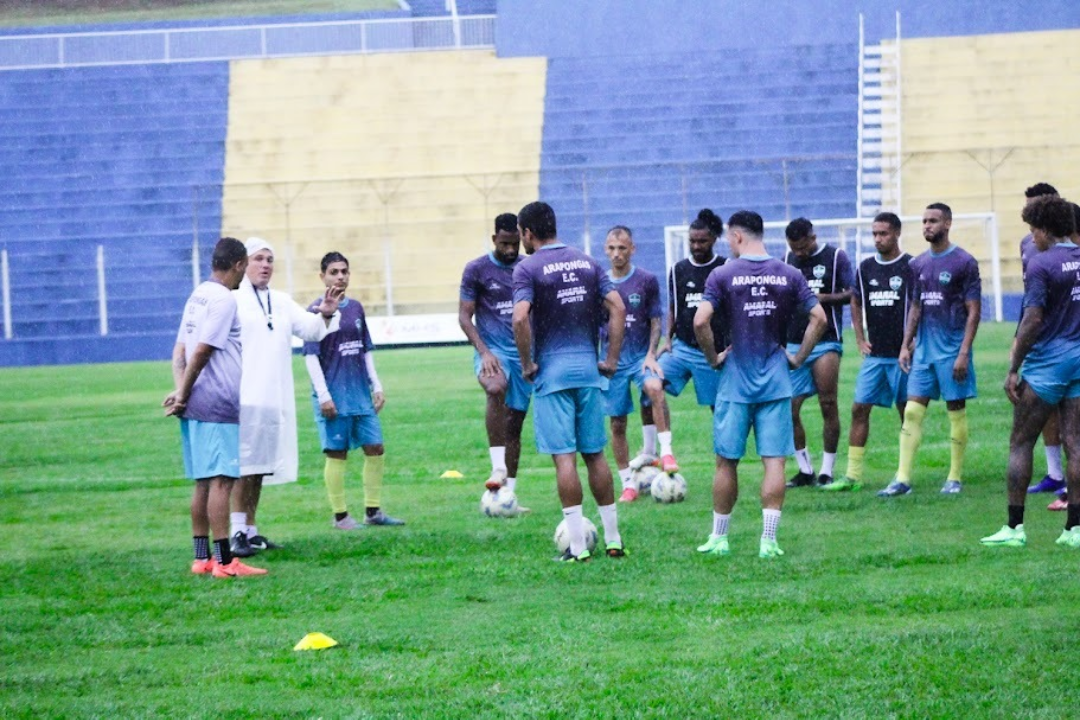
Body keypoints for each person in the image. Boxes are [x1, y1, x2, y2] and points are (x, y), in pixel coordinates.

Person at [693, 210, 825, 558]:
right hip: (776, 382)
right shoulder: (789, 273)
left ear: (736, 237)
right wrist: (797, 358)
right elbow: (820, 318)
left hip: (735, 382)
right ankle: (768, 540)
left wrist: (713, 358)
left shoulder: (723, 274)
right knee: (775, 463)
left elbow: (700, 320)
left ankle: (719, 538)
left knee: (726, 462)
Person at [512, 201, 627, 562]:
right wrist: (610, 359)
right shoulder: (588, 262)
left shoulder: (527, 268)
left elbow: (519, 319)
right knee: (595, 454)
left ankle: (577, 548)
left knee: (564, 458)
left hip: (553, 373)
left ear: (528, 233)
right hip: (588, 372)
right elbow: (619, 308)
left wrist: (528, 363)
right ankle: (613, 540)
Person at [229, 237, 343, 558]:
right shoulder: (232, 301)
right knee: (244, 466)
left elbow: (310, 329)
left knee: (260, 467)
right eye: (259, 259)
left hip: (274, 396)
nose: (265, 265)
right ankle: (235, 531)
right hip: (243, 397)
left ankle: (250, 530)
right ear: (243, 264)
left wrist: (326, 314)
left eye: (270, 260)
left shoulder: (280, 301)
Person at [163, 237, 266, 579]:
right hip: (216, 400)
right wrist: (183, 392)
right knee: (222, 481)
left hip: (194, 401)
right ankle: (225, 562)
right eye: (245, 267)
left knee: (203, 483)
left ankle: (201, 558)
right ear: (238, 265)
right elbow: (202, 351)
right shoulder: (224, 299)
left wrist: (181, 392)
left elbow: (179, 350)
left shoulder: (198, 295)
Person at [981, 196, 1080, 547]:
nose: (1031, 238)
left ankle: (1014, 528)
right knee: (1076, 442)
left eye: (1032, 230)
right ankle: (1074, 530)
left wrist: (1013, 367)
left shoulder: (1042, 264)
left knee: (1021, 442)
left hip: (1048, 365)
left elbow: (1033, 318)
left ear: (1043, 229)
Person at [878, 203, 981, 496]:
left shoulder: (964, 262)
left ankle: (954, 477)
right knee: (911, 411)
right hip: (923, 352)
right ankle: (902, 479)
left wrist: (963, 353)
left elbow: (973, 311)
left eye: (933, 221)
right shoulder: (918, 264)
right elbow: (915, 307)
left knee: (955, 412)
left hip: (951, 351)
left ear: (947, 223)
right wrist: (905, 345)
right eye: (924, 221)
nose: (927, 226)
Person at [304, 252, 405, 529]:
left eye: (344, 271)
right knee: (337, 453)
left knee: (375, 448)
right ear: (322, 276)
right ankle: (340, 516)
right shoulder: (315, 310)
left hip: (359, 394)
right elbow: (311, 356)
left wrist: (378, 385)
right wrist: (324, 396)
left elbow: (365, 349)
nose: (340, 277)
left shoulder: (356, 308)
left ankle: (373, 512)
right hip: (334, 396)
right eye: (334, 272)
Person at [822, 212, 913, 491]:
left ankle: (903, 475)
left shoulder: (911, 266)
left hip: (902, 356)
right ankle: (853, 475)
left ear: (896, 233)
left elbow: (918, 308)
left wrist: (909, 344)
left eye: (883, 233)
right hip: (875, 356)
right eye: (874, 234)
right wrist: (860, 338)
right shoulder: (866, 267)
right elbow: (855, 301)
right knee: (859, 408)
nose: (878, 239)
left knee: (907, 414)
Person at [641, 208, 727, 473]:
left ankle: (724, 465)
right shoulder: (678, 270)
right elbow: (673, 308)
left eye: (702, 241)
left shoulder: (724, 269)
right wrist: (668, 338)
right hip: (682, 348)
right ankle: (662, 453)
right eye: (692, 241)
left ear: (713, 240)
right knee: (650, 384)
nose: (696, 246)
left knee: (719, 410)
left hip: (713, 353)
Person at [458, 213, 531, 504]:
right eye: (505, 244)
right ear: (494, 240)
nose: (511, 250)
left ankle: (508, 494)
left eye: (515, 244)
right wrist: (484, 352)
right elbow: (464, 316)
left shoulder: (527, 267)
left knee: (515, 424)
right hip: (493, 350)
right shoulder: (476, 269)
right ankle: (497, 466)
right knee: (495, 387)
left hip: (524, 353)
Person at [782, 218, 854, 487]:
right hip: (794, 341)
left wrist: (823, 299)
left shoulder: (836, 257)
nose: (798, 254)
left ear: (812, 238)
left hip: (826, 341)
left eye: (802, 248)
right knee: (789, 407)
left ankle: (826, 469)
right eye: (794, 248)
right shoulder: (787, 258)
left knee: (828, 403)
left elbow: (852, 293)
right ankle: (804, 469)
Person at [598, 226, 666, 502]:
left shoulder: (646, 280)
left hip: (639, 356)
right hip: (613, 361)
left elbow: (655, 320)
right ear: (605, 249)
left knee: (653, 391)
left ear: (632, 249)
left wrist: (651, 353)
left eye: (622, 248)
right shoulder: (599, 283)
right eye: (612, 248)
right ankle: (627, 483)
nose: (617, 254)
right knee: (617, 423)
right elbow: (594, 322)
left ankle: (660, 453)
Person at [1017, 183, 1068, 505]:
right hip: (1041, 339)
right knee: (1048, 411)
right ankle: (1055, 475)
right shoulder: (1027, 244)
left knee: (1069, 419)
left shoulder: (1069, 241)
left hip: (1063, 340)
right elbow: (1031, 301)